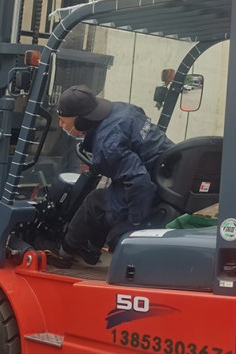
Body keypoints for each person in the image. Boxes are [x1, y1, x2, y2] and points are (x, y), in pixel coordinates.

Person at [53, 84, 174, 267]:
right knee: (109, 196)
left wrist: (134, 224)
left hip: (152, 187)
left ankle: (64, 252)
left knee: (94, 202)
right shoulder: (123, 109)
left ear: (82, 122)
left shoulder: (108, 145)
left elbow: (139, 182)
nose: (60, 125)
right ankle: (91, 249)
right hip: (167, 173)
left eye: (63, 121)